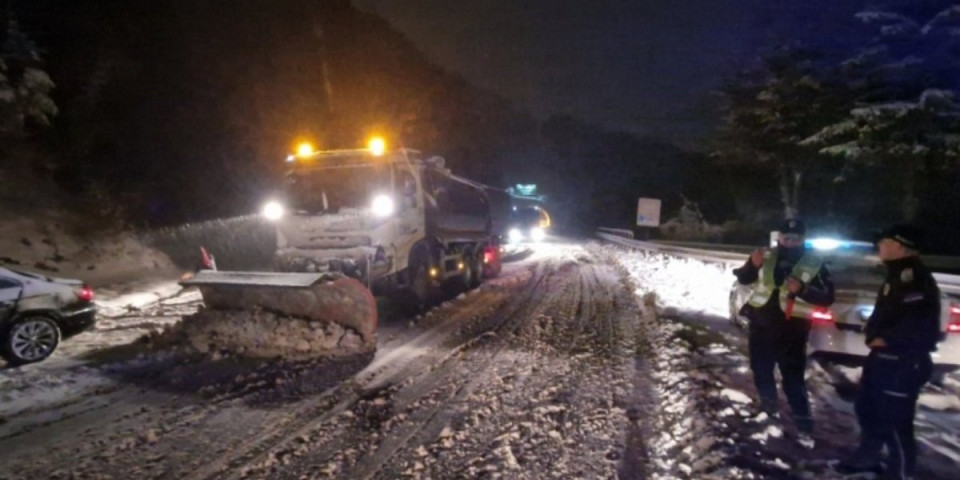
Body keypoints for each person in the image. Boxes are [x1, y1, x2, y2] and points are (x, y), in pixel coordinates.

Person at [836, 225, 940, 480]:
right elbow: (891, 314)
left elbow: (921, 324)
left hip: (903, 362)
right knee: (867, 409)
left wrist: (886, 338)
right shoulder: (896, 275)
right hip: (883, 360)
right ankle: (867, 459)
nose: (879, 247)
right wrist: (873, 331)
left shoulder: (915, 277)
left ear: (899, 246)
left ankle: (901, 474)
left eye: (884, 242)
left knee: (895, 423)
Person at [733, 218, 835, 447]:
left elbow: (828, 296)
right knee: (761, 370)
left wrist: (803, 289)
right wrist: (752, 265)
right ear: (778, 236)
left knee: (793, 379)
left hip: (792, 330)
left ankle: (804, 427)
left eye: (795, 238)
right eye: (785, 237)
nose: (789, 242)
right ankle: (769, 412)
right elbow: (744, 278)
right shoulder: (766, 256)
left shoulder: (814, 262)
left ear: (803, 239)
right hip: (761, 324)